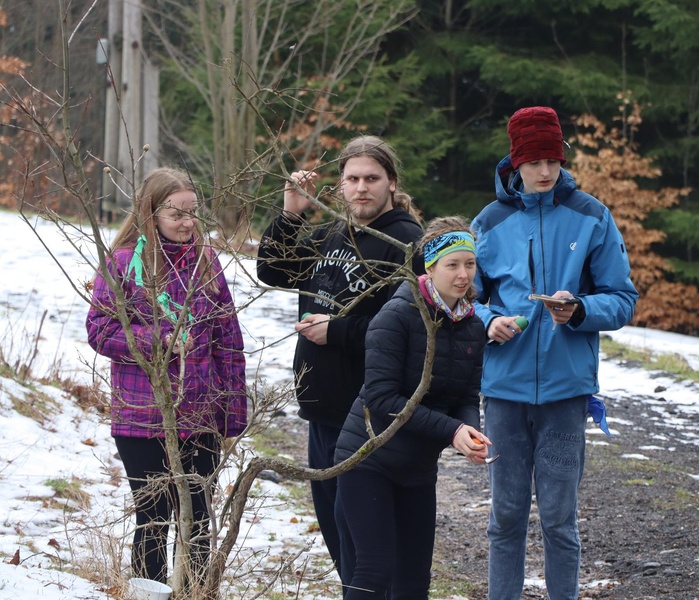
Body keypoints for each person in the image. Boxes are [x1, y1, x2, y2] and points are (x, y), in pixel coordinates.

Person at [472, 106, 639, 599]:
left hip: (567, 394)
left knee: (560, 518)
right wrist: (488, 322)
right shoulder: (489, 221)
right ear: (514, 161)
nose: (545, 171)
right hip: (503, 392)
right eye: (534, 161)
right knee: (505, 516)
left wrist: (582, 309)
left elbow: (622, 297)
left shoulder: (592, 216)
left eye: (553, 158)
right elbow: (464, 299)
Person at [255, 135, 424, 579]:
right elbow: (274, 270)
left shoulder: (407, 243)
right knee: (335, 530)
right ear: (340, 186)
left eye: (372, 178)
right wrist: (291, 213)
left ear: (391, 182)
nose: (361, 187)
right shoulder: (334, 230)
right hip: (323, 404)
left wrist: (339, 330)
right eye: (352, 179)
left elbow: (417, 329)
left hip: (369, 409)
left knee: (362, 539)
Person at [86, 167, 247, 586]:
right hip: (141, 415)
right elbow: (101, 331)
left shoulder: (206, 263)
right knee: (153, 518)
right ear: (150, 213)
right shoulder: (122, 263)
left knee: (197, 516)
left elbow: (228, 341)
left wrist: (231, 412)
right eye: (176, 213)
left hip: (200, 415)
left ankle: (196, 592)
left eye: (193, 213)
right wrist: (158, 337)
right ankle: (149, 593)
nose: (187, 222)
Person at [333, 216, 489, 599]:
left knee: (414, 582)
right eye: (452, 265)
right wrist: (450, 431)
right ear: (430, 267)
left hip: (417, 467)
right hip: (368, 458)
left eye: (469, 263)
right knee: (374, 571)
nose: (462, 274)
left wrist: (469, 430)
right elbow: (382, 400)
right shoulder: (398, 315)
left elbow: (466, 396)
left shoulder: (471, 325)